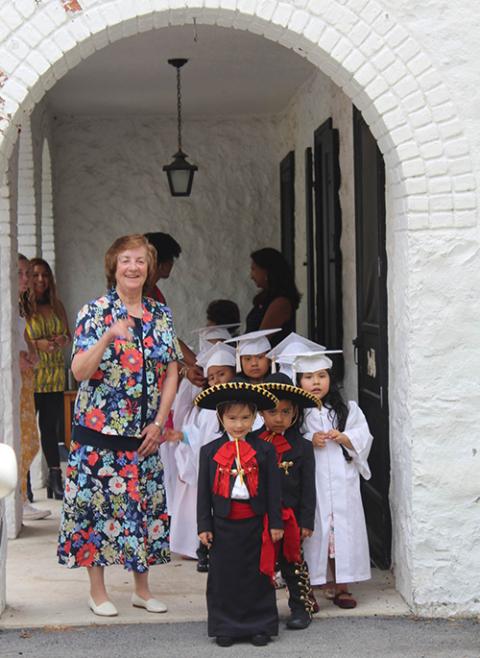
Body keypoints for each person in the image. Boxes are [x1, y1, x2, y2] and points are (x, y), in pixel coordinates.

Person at [57, 234, 182, 618]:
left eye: (141, 261)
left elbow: (172, 369)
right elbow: (79, 371)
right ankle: (98, 591)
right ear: (113, 267)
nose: (133, 267)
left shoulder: (160, 314)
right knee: (97, 510)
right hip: (99, 435)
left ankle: (142, 590)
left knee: (140, 510)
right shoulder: (94, 312)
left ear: (149, 268)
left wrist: (160, 423)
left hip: (143, 434)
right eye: (126, 260)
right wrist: (109, 335)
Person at [196, 380, 283, 647]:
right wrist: (204, 525)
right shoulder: (209, 451)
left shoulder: (265, 450)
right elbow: (203, 493)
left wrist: (276, 523)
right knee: (224, 577)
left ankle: (260, 625)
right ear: (221, 417)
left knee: (257, 576)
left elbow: (273, 491)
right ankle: (226, 626)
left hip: (255, 522)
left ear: (256, 417)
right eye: (232, 418)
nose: (239, 424)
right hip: (223, 524)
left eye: (246, 418)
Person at [295, 350, 373, 609]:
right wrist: (309, 440)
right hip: (313, 484)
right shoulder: (297, 414)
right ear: (298, 381)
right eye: (308, 376)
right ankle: (311, 589)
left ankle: (342, 586)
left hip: (342, 484)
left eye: (321, 375)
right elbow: (286, 442)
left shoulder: (346, 410)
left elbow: (364, 436)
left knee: (341, 535)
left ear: (331, 378)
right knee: (314, 534)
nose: (316, 382)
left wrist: (345, 438)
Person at [167, 343, 236, 567]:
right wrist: (182, 437)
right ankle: (200, 548)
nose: (216, 380)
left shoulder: (239, 403)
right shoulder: (205, 407)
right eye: (212, 377)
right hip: (206, 466)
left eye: (222, 374)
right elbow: (195, 435)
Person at [258, 372, 318, 629]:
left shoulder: (302, 447)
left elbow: (308, 488)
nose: (279, 418)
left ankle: (300, 607)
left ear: (295, 413)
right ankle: (261, 610)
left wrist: (306, 520)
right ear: (261, 412)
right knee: (261, 564)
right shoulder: (253, 443)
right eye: (273, 412)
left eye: (285, 412)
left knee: (293, 562)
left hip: (290, 517)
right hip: (262, 518)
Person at [26, 258, 71, 500]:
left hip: (53, 375)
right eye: (35, 275)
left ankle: (55, 478)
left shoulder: (57, 305)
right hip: (31, 377)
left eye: (44, 275)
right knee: (28, 431)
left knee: (50, 429)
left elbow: (68, 335)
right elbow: (16, 338)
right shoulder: (23, 306)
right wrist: (38, 344)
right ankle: (25, 484)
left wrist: (62, 340)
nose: (41, 280)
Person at [144, 231, 204, 388]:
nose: (172, 265)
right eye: (171, 260)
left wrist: (201, 364)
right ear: (160, 263)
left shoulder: (156, 295)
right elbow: (149, 346)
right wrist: (185, 369)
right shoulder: (135, 295)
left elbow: (168, 338)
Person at [17, 254, 51, 521]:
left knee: (29, 441)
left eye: (27, 273)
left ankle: (21, 498)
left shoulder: (18, 305)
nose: (27, 279)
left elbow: (23, 336)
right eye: (21, 273)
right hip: (15, 381)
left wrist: (30, 353)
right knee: (23, 441)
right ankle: (19, 499)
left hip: (26, 380)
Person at [246, 248, 301, 346]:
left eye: (254, 269)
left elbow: (262, 338)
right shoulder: (265, 299)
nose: (251, 275)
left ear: (266, 271)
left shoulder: (281, 302)